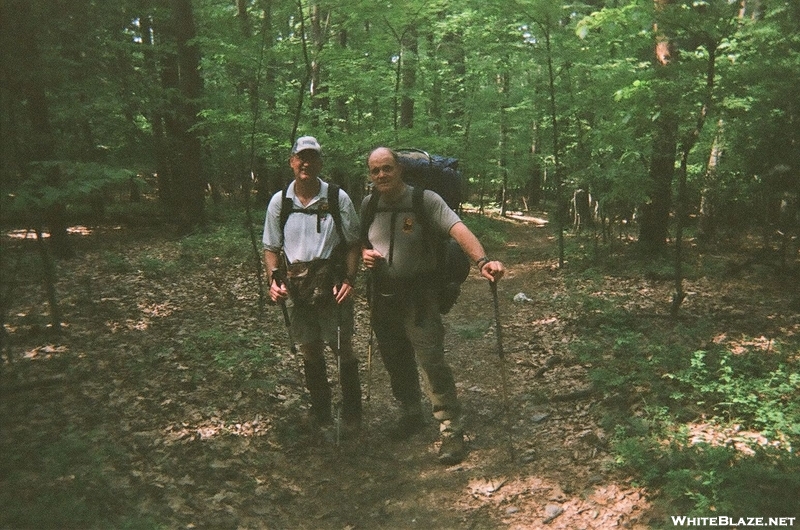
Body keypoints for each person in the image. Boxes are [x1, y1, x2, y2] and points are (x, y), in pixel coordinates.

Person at [361, 146, 505, 465]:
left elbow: (458, 229)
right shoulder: (368, 204)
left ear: (399, 169)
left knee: (431, 361)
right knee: (395, 358)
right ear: (370, 175)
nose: (381, 175)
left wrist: (482, 261)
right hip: (383, 297)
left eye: (387, 168)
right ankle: (411, 412)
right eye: (375, 171)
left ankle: (451, 429)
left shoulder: (424, 200)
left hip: (419, 296)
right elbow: (358, 242)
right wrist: (363, 254)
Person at [263, 136, 362, 435]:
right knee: (309, 348)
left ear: (320, 162)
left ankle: (352, 414)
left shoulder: (337, 197)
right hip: (297, 287)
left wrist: (349, 279)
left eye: (312, 157)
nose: (306, 163)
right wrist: (273, 279)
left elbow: (355, 244)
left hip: (332, 284)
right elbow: (271, 248)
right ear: (292, 161)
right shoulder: (280, 202)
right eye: (300, 157)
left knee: (342, 347)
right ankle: (320, 412)